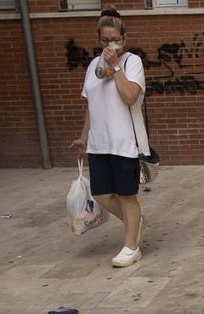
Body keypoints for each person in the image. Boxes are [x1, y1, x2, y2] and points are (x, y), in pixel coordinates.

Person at [70, 7, 148, 268]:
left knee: (127, 195)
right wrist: (83, 137)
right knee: (101, 194)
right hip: (98, 143)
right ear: (99, 40)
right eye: (105, 40)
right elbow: (90, 105)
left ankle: (131, 246)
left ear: (124, 38)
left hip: (124, 142)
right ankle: (134, 222)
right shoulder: (93, 66)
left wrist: (115, 66)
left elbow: (130, 96)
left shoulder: (131, 62)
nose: (110, 45)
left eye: (115, 39)